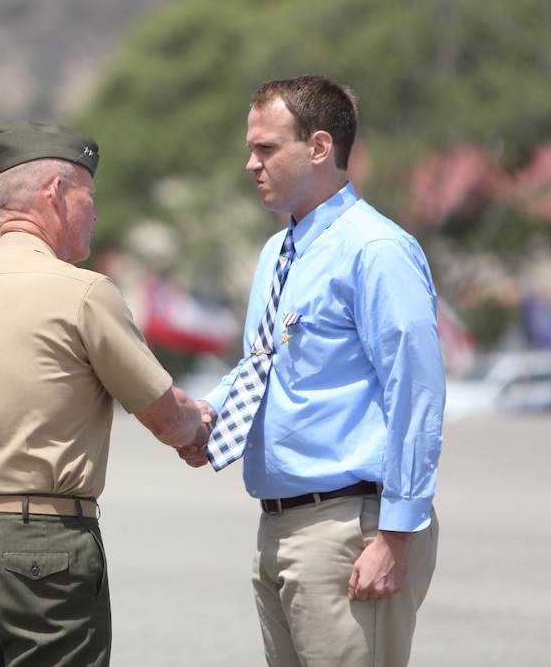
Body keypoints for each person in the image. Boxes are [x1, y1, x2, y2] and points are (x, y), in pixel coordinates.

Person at [0, 119, 209, 666]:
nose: (96, 214)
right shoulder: (84, 294)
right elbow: (164, 416)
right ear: (57, 194)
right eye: (90, 197)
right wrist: (199, 426)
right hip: (46, 548)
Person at [190, 74, 444, 667]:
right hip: (280, 527)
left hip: (350, 526)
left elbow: (416, 392)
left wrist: (396, 536)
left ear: (320, 147)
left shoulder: (375, 250)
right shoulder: (278, 252)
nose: (250, 164)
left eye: (266, 148)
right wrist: (202, 416)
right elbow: (263, 364)